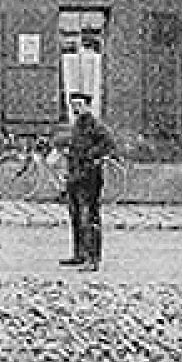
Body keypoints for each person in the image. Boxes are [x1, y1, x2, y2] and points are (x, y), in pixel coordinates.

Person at [60, 91, 117, 272]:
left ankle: (93, 259)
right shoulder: (76, 125)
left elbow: (109, 143)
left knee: (89, 216)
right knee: (75, 215)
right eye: (73, 105)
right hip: (75, 175)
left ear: (87, 106)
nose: (76, 108)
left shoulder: (95, 125)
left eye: (79, 104)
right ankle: (79, 254)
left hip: (90, 177)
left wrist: (90, 156)